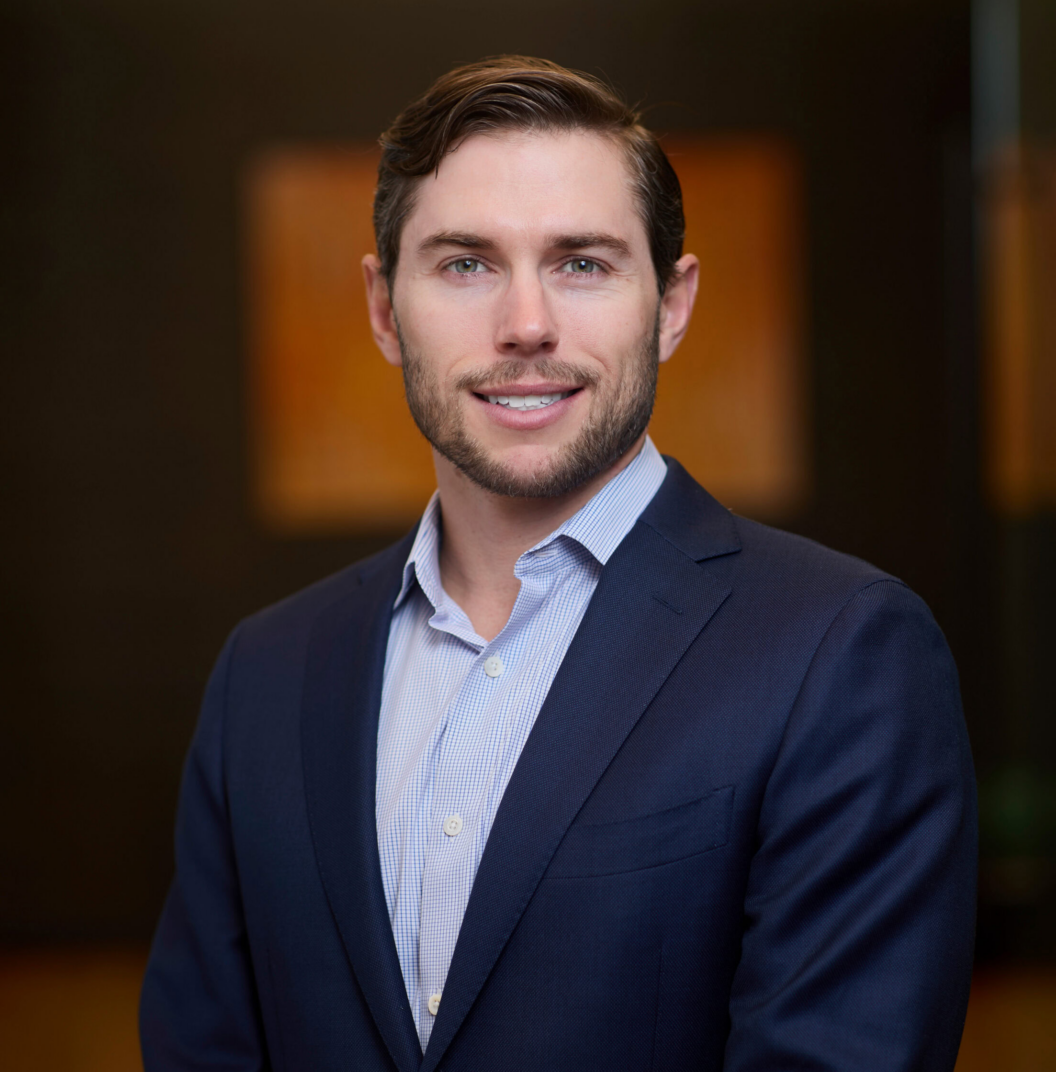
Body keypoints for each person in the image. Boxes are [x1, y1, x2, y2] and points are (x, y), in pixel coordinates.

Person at [140, 56, 976, 1071]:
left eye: (582, 262)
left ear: (670, 303)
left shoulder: (841, 652)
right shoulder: (265, 676)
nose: (526, 324)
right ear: (382, 307)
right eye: (465, 264)